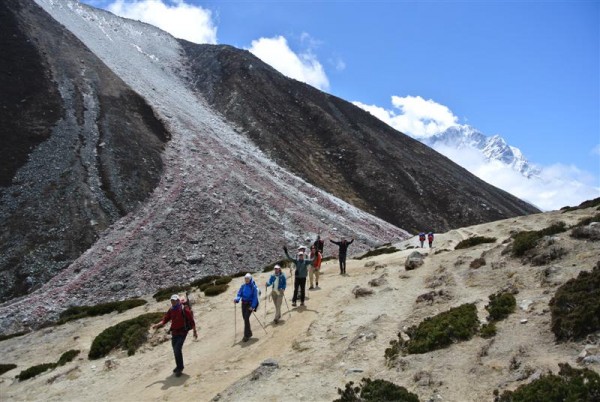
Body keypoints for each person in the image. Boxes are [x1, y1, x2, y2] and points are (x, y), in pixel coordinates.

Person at [152, 294, 197, 377]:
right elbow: (165, 319)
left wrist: (194, 331)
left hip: (183, 332)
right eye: (172, 300)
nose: (173, 302)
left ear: (178, 301)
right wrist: (157, 325)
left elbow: (191, 320)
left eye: (174, 300)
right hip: (174, 332)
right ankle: (178, 366)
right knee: (175, 350)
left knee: (177, 349)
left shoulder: (184, 309)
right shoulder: (171, 309)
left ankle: (180, 368)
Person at [234, 273, 260, 342]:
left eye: (248, 279)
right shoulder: (243, 286)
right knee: (245, 318)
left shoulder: (253, 287)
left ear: (250, 279)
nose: (246, 280)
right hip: (243, 304)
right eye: (245, 279)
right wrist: (237, 299)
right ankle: (249, 333)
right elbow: (239, 294)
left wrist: (252, 306)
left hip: (250, 305)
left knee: (246, 318)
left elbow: (255, 297)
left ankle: (246, 335)